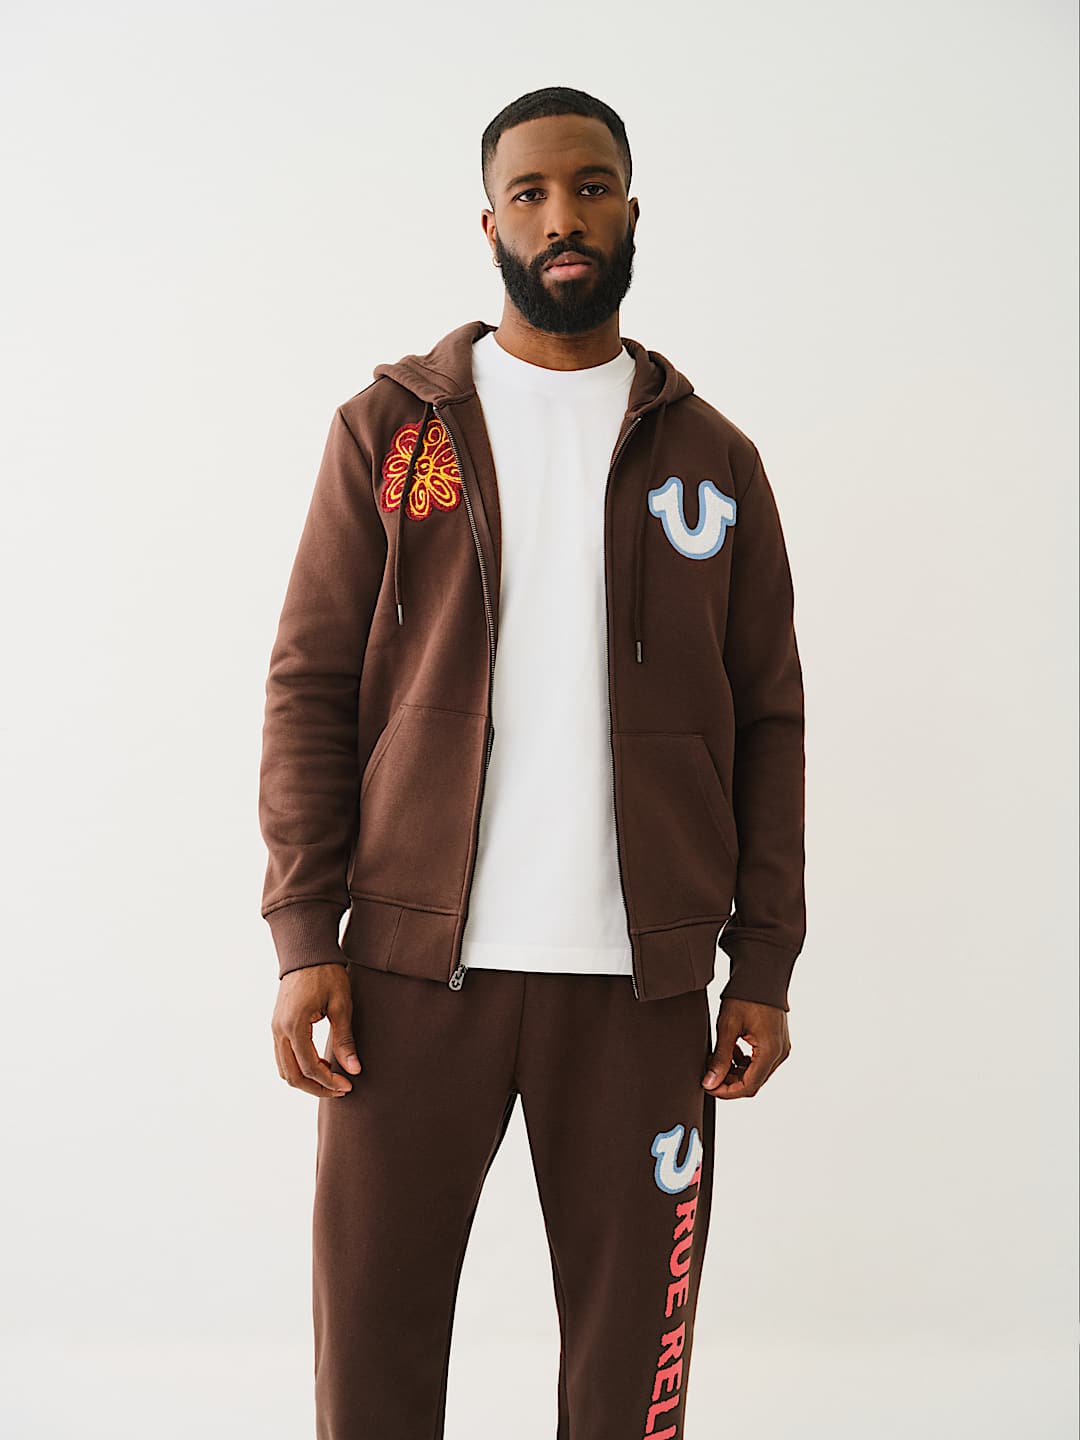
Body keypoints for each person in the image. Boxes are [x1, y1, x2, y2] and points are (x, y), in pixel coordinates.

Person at [259, 84, 805, 1440]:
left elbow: (770, 719)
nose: (564, 216)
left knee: (634, 1378)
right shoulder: (389, 432)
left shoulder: (716, 460)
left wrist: (764, 959)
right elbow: (311, 687)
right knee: (373, 1357)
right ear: (491, 223)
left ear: (631, 210)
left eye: (591, 187)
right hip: (406, 978)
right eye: (532, 193)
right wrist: (303, 933)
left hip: (644, 989)